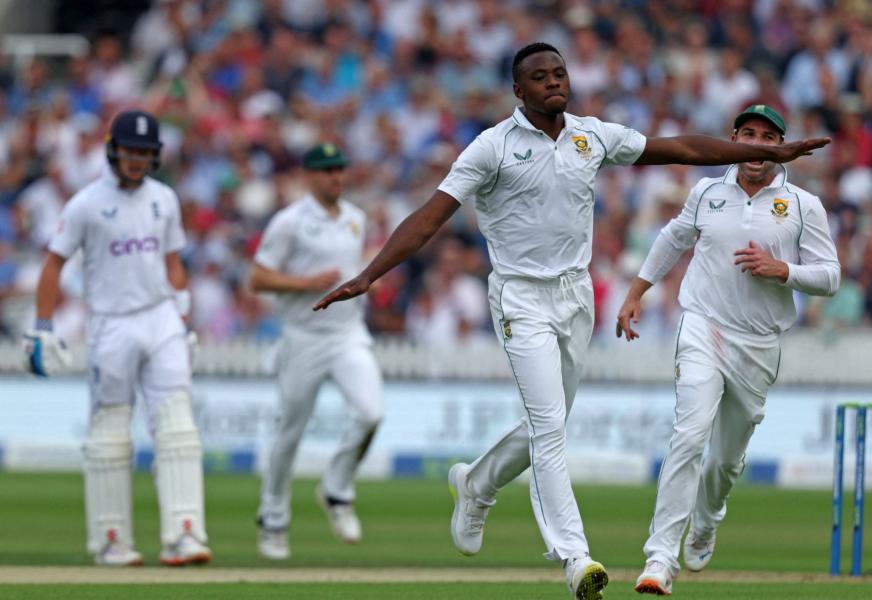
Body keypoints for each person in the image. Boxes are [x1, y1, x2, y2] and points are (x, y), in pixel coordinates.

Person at [315, 44, 829, 600]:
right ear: (519, 91)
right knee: (550, 427)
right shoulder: (492, 148)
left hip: (575, 295)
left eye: (559, 73)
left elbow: (678, 147)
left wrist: (767, 153)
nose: (554, 82)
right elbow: (429, 218)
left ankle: (476, 485)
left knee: (550, 419)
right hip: (520, 298)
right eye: (540, 77)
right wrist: (371, 274)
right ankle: (574, 558)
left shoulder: (592, 135)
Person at [615, 105, 840, 595]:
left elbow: (831, 276)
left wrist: (785, 271)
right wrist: (636, 292)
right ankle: (658, 559)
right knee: (688, 435)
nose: (757, 145)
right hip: (703, 326)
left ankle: (708, 517)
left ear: (781, 146)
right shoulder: (707, 191)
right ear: (734, 138)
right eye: (749, 134)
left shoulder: (803, 205)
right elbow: (674, 238)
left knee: (724, 462)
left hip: (758, 343)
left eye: (768, 137)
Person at [22, 110, 211, 566]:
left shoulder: (164, 199)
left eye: (145, 153)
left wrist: (183, 316)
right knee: (109, 434)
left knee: (178, 428)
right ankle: (110, 540)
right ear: (113, 149)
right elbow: (53, 264)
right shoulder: (86, 203)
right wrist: (42, 327)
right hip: (110, 324)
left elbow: (173, 262)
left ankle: (184, 534)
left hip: (160, 317)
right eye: (129, 150)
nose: (136, 159)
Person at [253, 143, 384, 560]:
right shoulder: (289, 222)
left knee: (371, 412)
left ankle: (336, 490)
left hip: (347, 334)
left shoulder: (355, 219)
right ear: (309, 176)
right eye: (327, 171)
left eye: (340, 170)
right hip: (303, 337)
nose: (335, 178)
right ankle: (272, 519)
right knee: (290, 432)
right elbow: (257, 279)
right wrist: (306, 283)